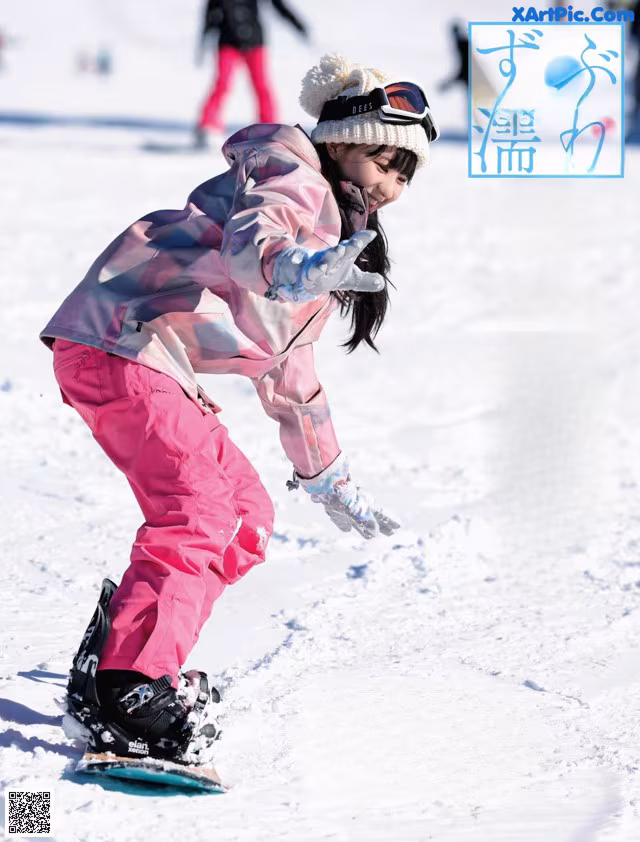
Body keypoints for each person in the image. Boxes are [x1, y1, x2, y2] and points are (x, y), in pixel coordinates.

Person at [40, 53, 439, 766]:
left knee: (245, 517)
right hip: (120, 341)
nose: (396, 184)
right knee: (197, 512)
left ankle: (126, 658)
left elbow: (291, 365)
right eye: (387, 159)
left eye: (408, 174)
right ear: (344, 140)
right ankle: (133, 683)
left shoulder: (330, 229)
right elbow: (256, 239)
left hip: (148, 355)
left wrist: (327, 474)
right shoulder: (294, 177)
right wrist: (291, 267)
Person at [195, 0, 309, 147]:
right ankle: (208, 127)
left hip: (254, 41)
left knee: (261, 85)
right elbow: (210, 15)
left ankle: (269, 128)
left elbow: (279, 6)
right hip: (228, 42)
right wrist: (203, 41)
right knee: (222, 83)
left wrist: (298, 25)